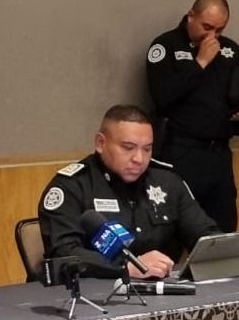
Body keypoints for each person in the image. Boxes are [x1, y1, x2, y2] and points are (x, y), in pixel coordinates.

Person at [38, 104, 220, 279]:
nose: (139, 159)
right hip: (92, 293)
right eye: (128, 148)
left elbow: (205, 236)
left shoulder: (167, 182)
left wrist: (223, 250)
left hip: (161, 290)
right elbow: (63, 254)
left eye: (147, 149)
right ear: (101, 143)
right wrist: (125, 267)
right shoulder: (71, 186)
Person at [146, 0, 239, 233]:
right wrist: (200, 63)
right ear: (191, 16)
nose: (212, 36)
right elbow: (163, 97)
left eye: (219, 29)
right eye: (206, 27)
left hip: (219, 153)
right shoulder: (166, 46)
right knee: (173, 228)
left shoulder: (231, 50)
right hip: (181, 151)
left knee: (223, 227)